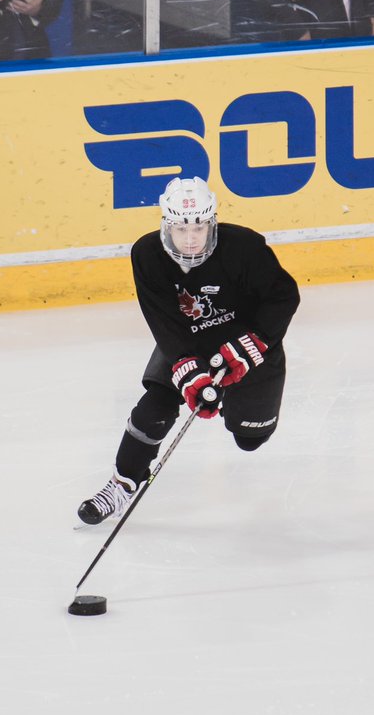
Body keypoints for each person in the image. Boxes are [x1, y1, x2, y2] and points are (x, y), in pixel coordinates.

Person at [77, 176, 301, 525]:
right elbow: (163, 321)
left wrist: (252, 343)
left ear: (212, 221)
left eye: (199, 226)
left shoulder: (245, 246)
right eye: (181, 228)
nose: (192, 237)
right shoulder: (148, 255)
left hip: (250, 342)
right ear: (166, 224)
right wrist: (188, 369)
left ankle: (236, 401)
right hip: (188, 340)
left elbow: (284, 296)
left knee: (249, 438)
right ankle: (122, 484)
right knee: (154, 408)